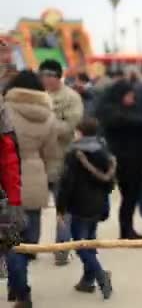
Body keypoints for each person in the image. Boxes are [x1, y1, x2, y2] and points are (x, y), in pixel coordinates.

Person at [4, 70, 62, 307]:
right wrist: (49, 179)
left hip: (9, 180)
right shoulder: (47, 115)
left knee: (10, 241)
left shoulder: (5, 110)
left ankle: (22, 290)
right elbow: (52, 155)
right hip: (36, 179)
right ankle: (16, 285)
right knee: (27, 242)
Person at [56, 117, 115, 300]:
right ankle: (87, 280)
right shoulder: (104, 151)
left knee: (80, 245)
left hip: (79, 205)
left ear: (80, 132)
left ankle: (100, 274)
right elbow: (110, 183)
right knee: (89, 241)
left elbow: (67, 184)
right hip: (98, 204)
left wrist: (61, 208)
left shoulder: (75, 153)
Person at [38, 58, 84, 266]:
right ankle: (28, 246)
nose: (45, 80)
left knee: (62, 207)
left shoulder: (71, 97)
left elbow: (70, 126)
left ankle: (61, 248)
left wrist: (45, 124)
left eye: (49, 76)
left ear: (58, 77)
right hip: (36, 161)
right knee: (28, 208)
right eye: (43, 76)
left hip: (61, 159)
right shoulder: (36, 96)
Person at [97, 80, 142, 239]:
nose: (132, 98)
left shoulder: (131, 109)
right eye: (128, 95)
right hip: (123, 160)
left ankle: (128, 228)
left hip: (136, 159)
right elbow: (126, 121)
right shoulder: (111, 111)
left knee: (132, 196)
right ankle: (126, 230)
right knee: (128, 196)